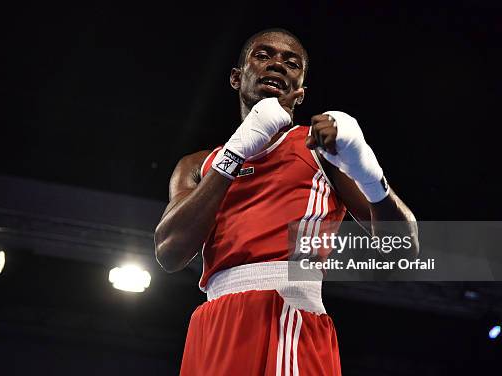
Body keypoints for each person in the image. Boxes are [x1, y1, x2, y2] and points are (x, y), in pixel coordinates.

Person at [154, 28, 418, 375]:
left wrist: (370, 175)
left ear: (300, 91)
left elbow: (404, 250)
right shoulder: (196, 165)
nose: (278, 65)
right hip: (213, 324)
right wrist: (236, 151)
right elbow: (169, 252)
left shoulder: (320, 150)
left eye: (292, 63)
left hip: (287, 313)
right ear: (236, 77)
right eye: (263, 56)